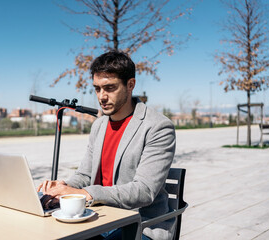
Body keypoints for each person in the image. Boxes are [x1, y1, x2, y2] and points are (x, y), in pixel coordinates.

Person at [37, 51, 176, 240]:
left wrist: (85, 193)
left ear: (130, 85)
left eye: (110, 88)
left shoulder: (158, 126)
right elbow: (85, 174)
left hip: (140, 224)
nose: (102, 96)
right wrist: (63, 187)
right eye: (97, 88)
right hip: (100, 218)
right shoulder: (99, 125)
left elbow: (144, 191)